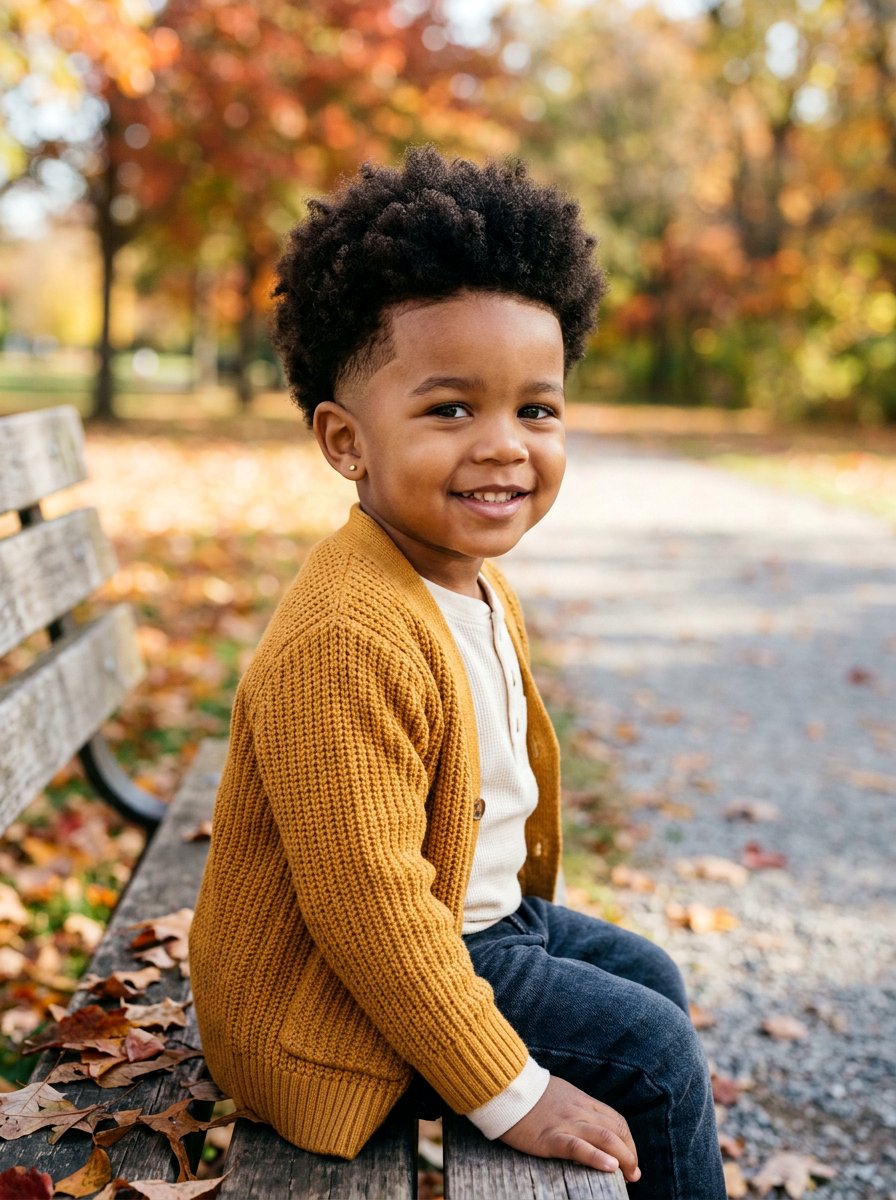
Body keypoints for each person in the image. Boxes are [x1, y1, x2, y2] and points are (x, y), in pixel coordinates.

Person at [189, 146, 725, 1199]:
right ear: (345, 441)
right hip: (326, 1005)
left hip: (472, 926)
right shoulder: (346, 633)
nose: (502, 447)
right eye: (449, 410)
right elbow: (368, 907)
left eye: (535, 409)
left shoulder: (466, 577)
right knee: (652, 1056)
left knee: (649, 981)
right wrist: (511, 1091)